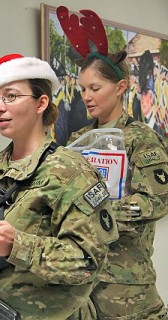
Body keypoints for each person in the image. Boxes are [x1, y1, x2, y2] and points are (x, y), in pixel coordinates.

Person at [0, 53, 119, 320]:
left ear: (41, 102)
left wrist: (17, 245)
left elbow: (90, 262)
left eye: (11, 96)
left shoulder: (70, 172)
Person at [64, 24, 168, 320]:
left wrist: (98, 213)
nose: (87, 96)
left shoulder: (140, 139)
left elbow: (157, 201)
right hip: (81, 277)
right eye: (83, 89)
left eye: (95, 88)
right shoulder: (77, 141)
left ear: (120, 87)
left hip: (125, 282)